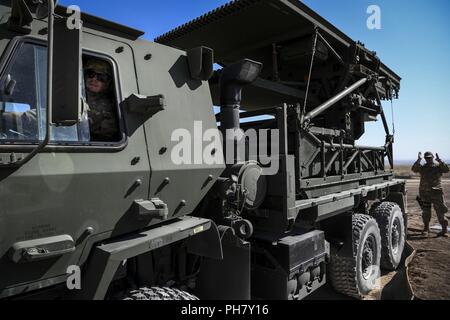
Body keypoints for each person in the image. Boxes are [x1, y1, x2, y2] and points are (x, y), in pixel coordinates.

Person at [412, 152, 449, 237]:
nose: (428, 159)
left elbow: (446, 169)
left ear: (432, 157)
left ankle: (444, 230)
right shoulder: (423, 168)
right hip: (425, 194)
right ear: (425, 158)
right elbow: (414, 169)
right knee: (426, 212)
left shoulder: (438, 167)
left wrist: (440, 160)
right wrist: (418, 160)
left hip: (437, 193)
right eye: (426, 158)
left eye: (430, 158)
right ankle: (426, 229)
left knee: (440, 212)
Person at [84, 59, 119, 141]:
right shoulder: (74, 93)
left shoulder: (113, 106)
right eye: (91, 74)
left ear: (108, 82)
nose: (94, 80)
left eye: (101, 77)